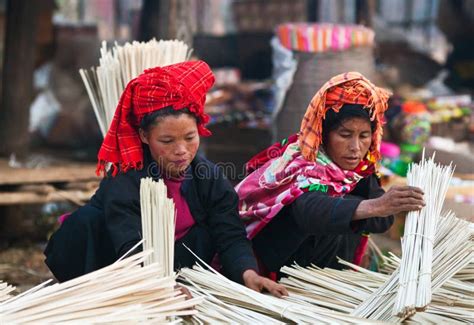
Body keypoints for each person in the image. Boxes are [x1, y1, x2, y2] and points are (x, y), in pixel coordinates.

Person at [44, 60, 287, 297]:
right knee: (86, 220)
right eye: (167, 141)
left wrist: (248, 274)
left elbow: (230, 234)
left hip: (179, 265)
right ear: (144, 136)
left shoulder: (209, 177)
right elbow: (128, 243)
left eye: (190, 137)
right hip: (121, 266)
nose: (182, 150)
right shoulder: (125, 177)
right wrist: (154, 285)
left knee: (207, 233)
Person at [235, 72, 425, 278]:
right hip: (286, 279)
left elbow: (381, 221)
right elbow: (309, 209)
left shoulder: (358, 172)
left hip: (333, 281)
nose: (355, 147)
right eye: (345, 135)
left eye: (364, 136)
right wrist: (374, 206)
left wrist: (385, 205)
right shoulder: (300, 165)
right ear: (323, 134)